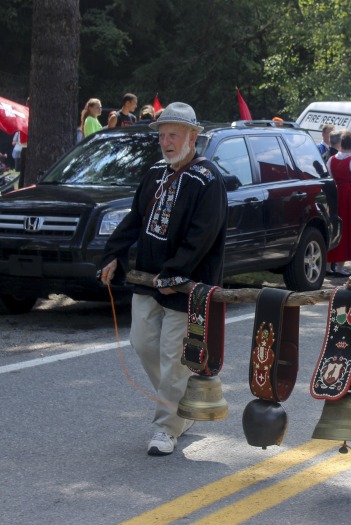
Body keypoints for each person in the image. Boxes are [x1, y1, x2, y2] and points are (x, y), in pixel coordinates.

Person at [98, 102, 227, 456]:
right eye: (163, 135)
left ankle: (165, 428)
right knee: (142, 343)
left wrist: (176, 273)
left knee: (174, 357)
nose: (167, 142)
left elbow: (202, 236)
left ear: (193, 136)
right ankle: (183, 407)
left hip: (186, 286)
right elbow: (134, 220)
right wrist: (113, 255)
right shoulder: (155, 173)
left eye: (173, 135)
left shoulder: (208, 179)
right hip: (148, 280)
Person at [325, 130, 351, 277]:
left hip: (335, 196)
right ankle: (340, 267)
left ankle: (328, 264)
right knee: (347, 227)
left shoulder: (332, 159)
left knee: (335, 228)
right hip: (349, 198)